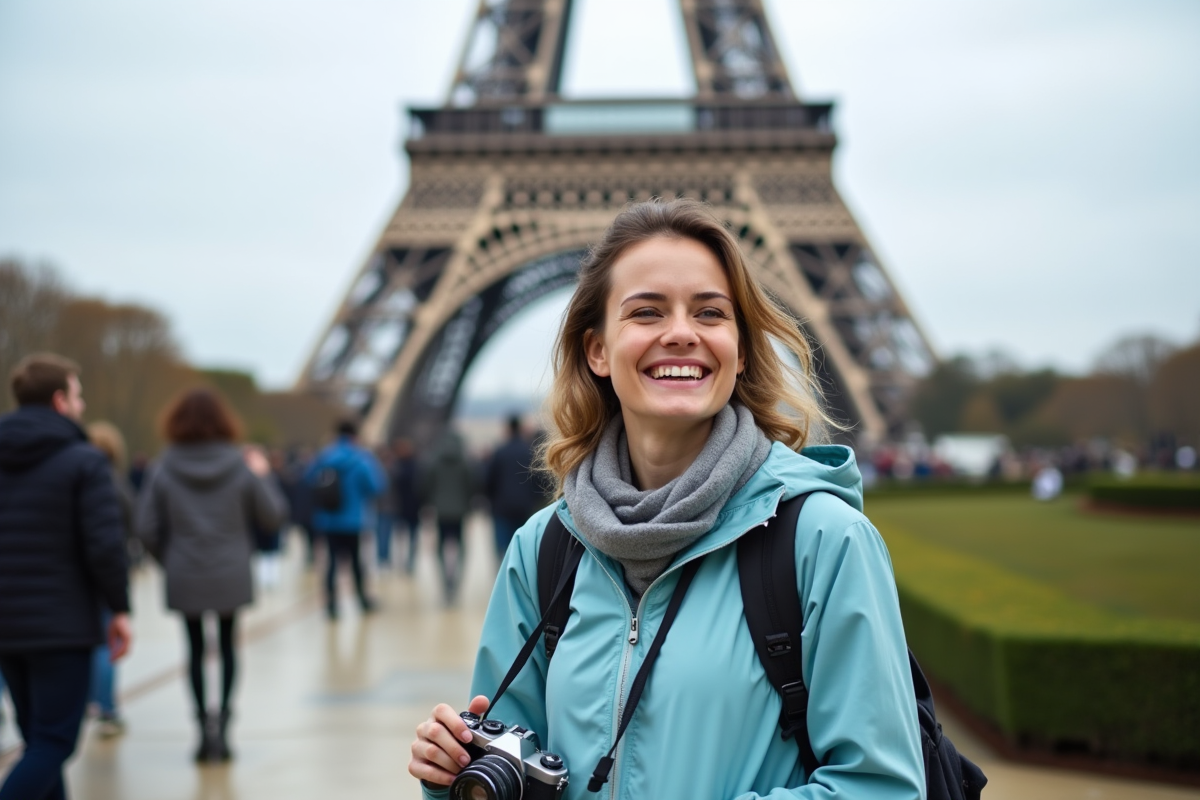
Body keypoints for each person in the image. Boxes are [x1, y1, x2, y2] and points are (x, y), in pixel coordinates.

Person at [409, 200, 924, 799]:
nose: (681, 333)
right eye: (647, 312)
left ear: (739, 348)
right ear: (597, 350)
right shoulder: (542, 549)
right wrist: (455, 776)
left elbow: (880, 788)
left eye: (710, 312)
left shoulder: (826, 541)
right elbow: (512, 774)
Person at [0, 353, 133, 800]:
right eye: (78, 395)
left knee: (38, 740)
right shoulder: (83, 461)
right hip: (61, 622)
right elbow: (104, 546)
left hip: (6, 623)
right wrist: (119, 607)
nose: (82, 404)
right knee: (54, 742)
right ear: (60, 400)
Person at [135, 388, 286, 763]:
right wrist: (264, 475)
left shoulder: (164, 466)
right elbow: (273, 515)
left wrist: (169, 561)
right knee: (229, 647)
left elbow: (146, 527)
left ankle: (203, 729)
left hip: (185, 571)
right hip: (231, 571)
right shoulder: (239, 465)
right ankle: (225, 727)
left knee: (195, 650)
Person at [85, 421, 137, 738]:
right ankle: (105, 707)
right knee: (106, 643)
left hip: (78, 572)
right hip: (109, 569)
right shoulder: (117, 486)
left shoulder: (73, 478)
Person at [305, 420, 385, 619]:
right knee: (357, 561)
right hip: (354, 519)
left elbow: (308, 480)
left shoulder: (324, 455)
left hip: (328, 518)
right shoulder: (362, 457)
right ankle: (362, 600)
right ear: (355, 435)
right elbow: (377, 486)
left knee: (331, 562)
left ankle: (331, 605)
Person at [418, 429, 476, 605]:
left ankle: (445, 580)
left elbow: (426, 485)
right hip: (460, 511)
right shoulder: (466, 462)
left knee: (441, 547)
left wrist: (430, 503)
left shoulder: (434, 461)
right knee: (461, 547)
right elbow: (472, 485)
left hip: (441, 510)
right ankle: (455, 580)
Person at [484, 415, 542, 560]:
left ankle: (503, 576)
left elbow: (489, 480)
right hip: (524, 506)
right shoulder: (529, 451)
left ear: (508, 429)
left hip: (501, 506)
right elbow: (537, 480)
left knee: (502, 547)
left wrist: (491, 500)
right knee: (522, 546)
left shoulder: (499, 452)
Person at [391, 438, 422, 575]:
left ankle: (407, 563)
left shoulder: (397, 466)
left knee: (407, 537)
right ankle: (404, 562)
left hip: (406, 507)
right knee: (405, 537)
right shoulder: (415, 466)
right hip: (406, 507)